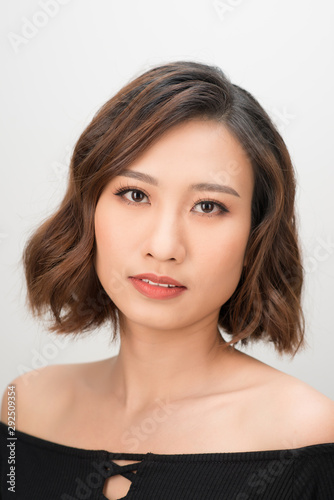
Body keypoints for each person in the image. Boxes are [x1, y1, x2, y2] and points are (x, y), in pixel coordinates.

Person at [0, 60, 333, 499]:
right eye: (135, 195)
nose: (164, 246)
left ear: (256, 235)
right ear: (89, 210)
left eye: (209, 206)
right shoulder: (22, 407)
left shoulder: (308, 434)